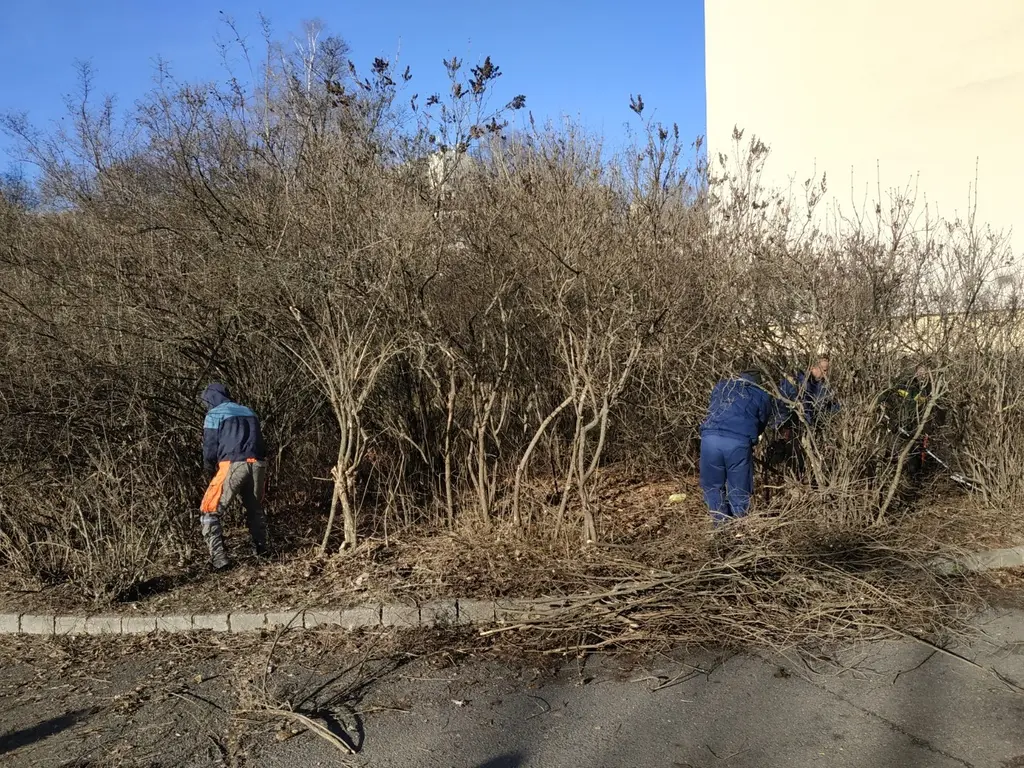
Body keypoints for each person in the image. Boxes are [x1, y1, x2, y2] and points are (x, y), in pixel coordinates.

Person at [198, 382, 269, 570]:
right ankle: (264, 551)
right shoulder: (249, 411)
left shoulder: (214, 414)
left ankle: (220, 560)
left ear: (210, 398)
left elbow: (210, 446)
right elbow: (261, 442)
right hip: (258, 464)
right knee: (255, 510)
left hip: (231, 465)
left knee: (209, 511)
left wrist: (208, 467)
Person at [699, 368, 773, 525]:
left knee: (713, 486)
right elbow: (762, 421)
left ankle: (720, 526)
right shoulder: (762, 395)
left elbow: (712, 407)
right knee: (739, 488)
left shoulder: (722, 387)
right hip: (738, 443)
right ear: (759, 382)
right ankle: (739, 527)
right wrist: (752, 437)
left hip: (710, 438)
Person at [767, 355, 839, 481]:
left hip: (809, 429)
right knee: (794, 459)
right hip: (792, 426)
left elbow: (829, 408)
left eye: (827, 370)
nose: (825, 373)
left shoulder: (823, 387)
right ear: (812, 367)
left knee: (806, 461)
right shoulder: (796, 383)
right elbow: (780, 404)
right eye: (823, 369)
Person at [881, 363, 943, 484]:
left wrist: (928, 427)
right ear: (915, 372)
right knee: (892, 451)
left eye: (925, 372)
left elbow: (935, 410)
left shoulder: (930, 390)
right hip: (899, 425)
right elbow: (888, 396)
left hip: (917, 427)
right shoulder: (907, 384)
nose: (922, 374)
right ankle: (886, 477)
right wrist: (891, 417)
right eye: (920, 371)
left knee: (916, 455)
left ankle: (914, 480)